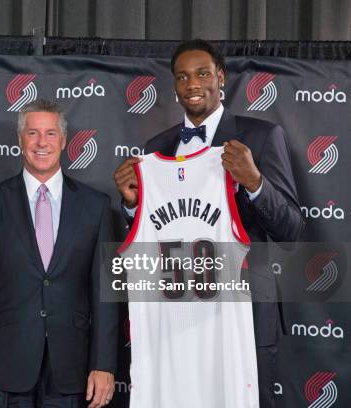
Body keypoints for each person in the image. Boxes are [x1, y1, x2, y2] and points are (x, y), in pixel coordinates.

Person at [114, 39, 304, 408]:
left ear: (220, 77)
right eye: (182, 77)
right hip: (177, 314)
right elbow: (151, 233)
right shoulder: (158, 147)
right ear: (174, 86)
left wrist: (255, 182)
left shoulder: (262, 137)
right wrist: (131, 206)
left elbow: (292, 230)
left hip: (244, 312)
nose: (192, 84)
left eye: (202, 74)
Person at [0, 99, 118, 408]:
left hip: (72, 367)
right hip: (6, 369)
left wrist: (104, 364)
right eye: (32, 133)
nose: (41, 142)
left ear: (63, 140)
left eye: (50, 133)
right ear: (20, 140)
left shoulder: (95, 206)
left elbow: (104, 292)